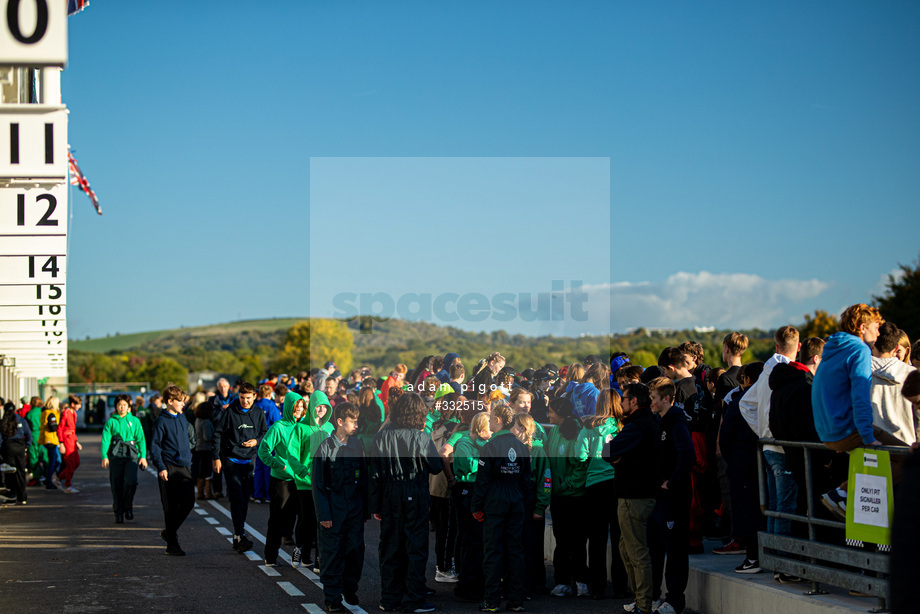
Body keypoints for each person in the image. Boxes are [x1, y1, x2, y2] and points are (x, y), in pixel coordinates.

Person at [813, 304, 908, 519]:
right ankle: (843, 493)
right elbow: (860, 396)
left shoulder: (833, 349)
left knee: (885, 458)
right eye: (876, 326)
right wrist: (867, 436)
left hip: (829, 432)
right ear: (862, 327)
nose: (879, 331)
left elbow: (819, 390)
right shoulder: (859, 350)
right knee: (909, 458)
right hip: (849, 430)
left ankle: (844, 493)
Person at [369, 392, 444, 613]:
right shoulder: (421, 438)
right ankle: (414, 599)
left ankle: (389, 599)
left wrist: (375, 505)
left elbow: (374, 473)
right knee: (416, 548)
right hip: (415, 493)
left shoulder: (382, 435)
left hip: (390, 495)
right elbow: (436, 467)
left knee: (391, 547)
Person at [739, 326, 800, 537]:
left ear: (776, 346)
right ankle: (780, 559)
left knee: (774, 506)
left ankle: (775, 556)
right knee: (784, 507)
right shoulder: (789, 374)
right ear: (798, 347)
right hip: (781, 447)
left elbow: (745, 403)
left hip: (767, 445)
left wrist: (761, 430)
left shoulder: (766, 373)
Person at [604, 383, 659, 614]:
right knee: (626, 548)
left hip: (634, 496)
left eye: (624, 399)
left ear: (634, 401)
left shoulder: (637, 426)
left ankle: (643, 604)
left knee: (635, 551)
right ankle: (641, 601)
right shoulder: (647, 423)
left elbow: (608, 452)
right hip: (635, 494)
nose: (621, 403)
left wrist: (617, 455)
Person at [472, 402, 530, 613]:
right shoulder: (522, 446)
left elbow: (482, 481)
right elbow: (526, 479)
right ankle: (516, 600)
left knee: (493, 551)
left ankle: (492, 601)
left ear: (497, 420)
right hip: (515, 500)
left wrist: (476, 506)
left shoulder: (491, 446)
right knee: (515, 550)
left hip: (495, 501)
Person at [313, 402, 368, 613]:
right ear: (339, 422)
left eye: (357, 420)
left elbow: (363, 479)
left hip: (354, 510)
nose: (356, 425)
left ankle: (349, 588)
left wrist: (365, 510)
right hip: (332, 511)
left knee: (355, 552)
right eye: (352, 421)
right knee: (331, 554)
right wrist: (324, 515)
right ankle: (332, 598)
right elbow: (317, 485)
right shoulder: (324, 448)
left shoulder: (357, 445)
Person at [646, 377, 695, 614]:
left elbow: (688, 456)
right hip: (658, 499)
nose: (651, 402)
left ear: (667, 399)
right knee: (654, 549)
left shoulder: (677, 423)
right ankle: (655, 597)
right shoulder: (659, 422)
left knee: (675, 551)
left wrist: (672, 483)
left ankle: (675, 600)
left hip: (673, 500)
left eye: (654, 398)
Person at [576, 389, 629, 600]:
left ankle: (597, 588)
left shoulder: (588, 427)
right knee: (619, 538)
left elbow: (580, 456)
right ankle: (620, 587)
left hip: (594, 485)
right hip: (617, 483)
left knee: (596, 539)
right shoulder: (622, 426)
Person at [212, 381, 268, 554]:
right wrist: (216, 458)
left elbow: (265, 432)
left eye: (248, 398)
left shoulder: (258, 413)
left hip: (249, 460)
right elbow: (217, 434)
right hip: (231, 460)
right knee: (236, 498)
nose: (245, 401)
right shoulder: (230, 411)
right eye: (242, 398)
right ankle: (239, 534)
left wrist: (256, 441)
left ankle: (238, 534)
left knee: (244, 499)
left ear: (255, 397)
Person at [258, 392, 309, 567]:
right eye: (296, 407)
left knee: (303, 519)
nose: (299, 411)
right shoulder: (278, 427)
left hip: (301, 480)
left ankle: (300, 553)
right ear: (289, 407)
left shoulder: (304, 426)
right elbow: (263, 451)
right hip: (281, 481)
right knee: (277, 519)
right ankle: (270, 556)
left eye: (302, 407)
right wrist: (279, 465)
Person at [545, 396, 589, 598]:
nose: (548, 414)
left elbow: (580, 467)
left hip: (575, 497)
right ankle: (562, 581)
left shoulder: (576, 432)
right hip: (558, 497)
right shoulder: (553, 431)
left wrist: (565, 485)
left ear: (561, 413)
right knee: (561, 540)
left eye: (551, 411)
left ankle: (580, 580)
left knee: (577, 540)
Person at [150, 385, 196, 556]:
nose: (183, 404)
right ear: (170, 402)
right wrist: (161, 467)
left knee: (189, 501)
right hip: (168, 467)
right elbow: (155, 446)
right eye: (180, 401)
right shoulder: (161, 421)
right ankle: (172, 544)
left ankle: (169, 532)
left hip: (184, 466)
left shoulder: (182, 418)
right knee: (170, 506)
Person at [451, 410, 492, 602]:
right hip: (467, 490)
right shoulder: (463, 443)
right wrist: (486, 462)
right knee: (472, 540)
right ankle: (466, 584)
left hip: (480, 491)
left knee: (478, 541)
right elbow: (468, 465)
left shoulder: (485, 444)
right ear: (482, 429)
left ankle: (474, 583)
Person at [510, 412, 551, 597]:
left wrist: (540, 506)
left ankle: (536, 584)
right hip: (514, 502)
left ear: (523, 429)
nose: (511, 429)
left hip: (531, 502)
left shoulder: (538, 451)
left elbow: (546, 480)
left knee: (532, 546)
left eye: (514, 425)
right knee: (516, 544)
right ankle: (518, 583)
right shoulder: (510, 448)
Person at [101, 394, 148, 523]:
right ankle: (118, 512)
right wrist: (104, 456)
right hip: (116, 454)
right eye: (119, 405)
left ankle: (128, 505)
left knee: (131, 482)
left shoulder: (135, 421)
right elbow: (105, 440)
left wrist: (143, 456)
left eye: (124, 405)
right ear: (116, 407)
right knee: (116, 484)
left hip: (131, 453)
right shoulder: (111, 421)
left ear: (129, 407)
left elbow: (141, 439)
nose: (122, 407)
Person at [870, 322, 918, 445]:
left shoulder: (859, 372)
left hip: (871, 446)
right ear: (896, 348)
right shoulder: (912, 374)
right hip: (907, 445)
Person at [253, 384, 282, 504]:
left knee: (258, 468)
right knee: (268, 468)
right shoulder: (272, 407)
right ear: (270, 394)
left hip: (257, 440)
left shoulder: (255, 406)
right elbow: (277, 424)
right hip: (269, 441)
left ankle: (258, 494)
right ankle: (269, 495)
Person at [0, 404, 32, 504]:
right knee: (21, 472)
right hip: (20, 446)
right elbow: (29, 435)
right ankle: (22, 497)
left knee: (10, 472)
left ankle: (11, 495)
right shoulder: (22, 420)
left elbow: (0, 439)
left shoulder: (3, 421)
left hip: (8, 447)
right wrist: (26, 446)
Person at [58, 395, 83, 493]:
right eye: (79, 404)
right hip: (67, 439)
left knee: (76, 462)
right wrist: (61, 443)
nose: (80, 406)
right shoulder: (66, 413)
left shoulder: (74, 413)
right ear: (73, 404)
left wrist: (76, 441)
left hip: (72, 439)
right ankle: (67, 485)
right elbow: (60, 428)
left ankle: (59, 478)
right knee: (70, 463)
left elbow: (73, 429)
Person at [193, 399, 215, 500]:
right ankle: (208, 493)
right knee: (207, 471)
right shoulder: (206, 422)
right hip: (206, 449)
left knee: (201, 471)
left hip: (199, 447)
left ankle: (200, 492)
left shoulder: (197, 420)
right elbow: (207, 437)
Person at [38, 396, 62, 490]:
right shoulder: (51, 414)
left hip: (47, 438)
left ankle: (47, 478)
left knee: (55, 461)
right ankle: (48, 480)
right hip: (51, 439)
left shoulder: (44, 412)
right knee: (54, 461)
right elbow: (53, 427)